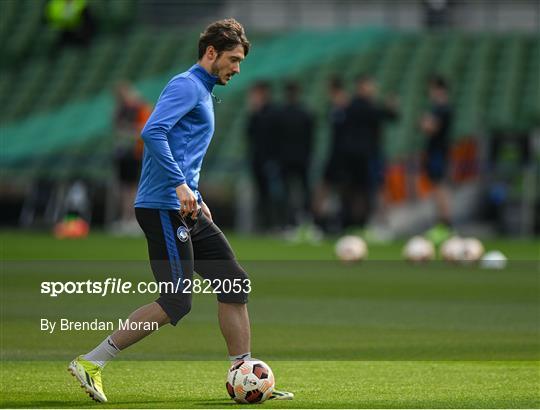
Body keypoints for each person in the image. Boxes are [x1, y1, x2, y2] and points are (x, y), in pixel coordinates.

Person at [68, 19, 293, 403]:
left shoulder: (202, 90)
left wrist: (196, 194)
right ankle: (92, 362)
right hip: (161, 207)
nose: (237, 69)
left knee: (234, 283)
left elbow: (183, 147)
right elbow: (152, 131)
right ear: (211, 52)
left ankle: (245, 374)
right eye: (234, 59)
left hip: (186, 207)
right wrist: (180, 185)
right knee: (177, 301)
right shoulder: (186, 85)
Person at [342, 75, 398, 228]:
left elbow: (391, 117)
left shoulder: (359, 105)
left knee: (373, 188)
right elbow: (389, 115)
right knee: (362, 189)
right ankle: (361, 222)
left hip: (367, 154)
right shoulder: (360, 106)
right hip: (363, 155)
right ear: (361, 87)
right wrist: (390, 107)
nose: (372, 89)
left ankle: (378, 222)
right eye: (369, 85)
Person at [111, 82, 151, 234]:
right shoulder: (120, 110)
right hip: (123, 153)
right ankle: (124, 218)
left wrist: (128, 130)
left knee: (133, 188)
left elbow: (142, 130)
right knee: (123, 188)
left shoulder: (140, 108)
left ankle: (133, 220)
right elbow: (117, 129)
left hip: (135, 152)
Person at [275, 81, 315, 227]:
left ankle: (290, 223)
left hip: (287, 159)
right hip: (301, 158)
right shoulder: (305, 113)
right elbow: (311, 138)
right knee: (303, 191)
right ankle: (305, 221)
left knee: (289, 193)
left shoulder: (280, 114)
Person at [312, 76, 349, 232]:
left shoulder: (344, 105)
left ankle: (336, 222)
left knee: (333, 188)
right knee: (326, 187)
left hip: (342, 154)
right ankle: (321, 222)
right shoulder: (334, 106)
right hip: (336, 153)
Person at [246, 81, 282, 231]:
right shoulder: (256, 113)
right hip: (258, 159)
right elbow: (249, 134)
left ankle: (276, 224)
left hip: (271, 160)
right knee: (261, 193)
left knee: (273, 193)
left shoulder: (273, 112)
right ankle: (264, 225)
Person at [421, 76, 453, 235]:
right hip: (435, 152)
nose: (430, 92)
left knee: (440, 186)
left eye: (432, 89)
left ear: (440, 89)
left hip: (439, 152)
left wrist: (426, 122)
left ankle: (445, 224)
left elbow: (430, 128)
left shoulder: (443, 109)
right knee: (436, 186)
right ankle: (441, 223)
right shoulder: (437, 109)